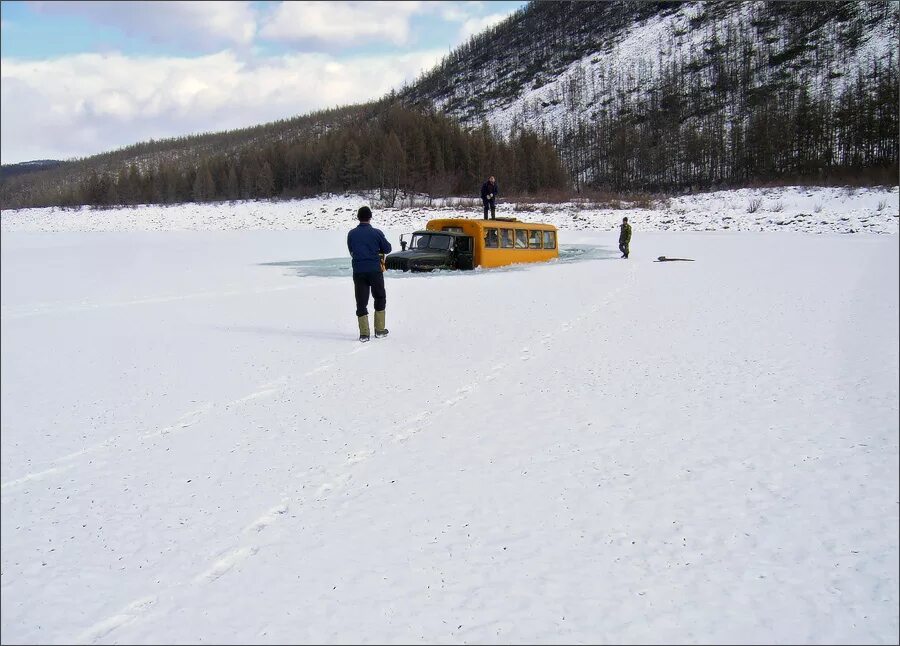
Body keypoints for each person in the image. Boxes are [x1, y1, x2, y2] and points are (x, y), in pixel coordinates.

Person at [347, 206, 392, 341]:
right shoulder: (376, 233)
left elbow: (351, 250)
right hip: (375, 270)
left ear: (358, 217)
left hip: (359, 271)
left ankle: (364, 334)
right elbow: (387, 248)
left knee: (361, 301)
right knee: (379, 297)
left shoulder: (351, 233)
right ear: (370, 217)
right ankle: (379, 330)